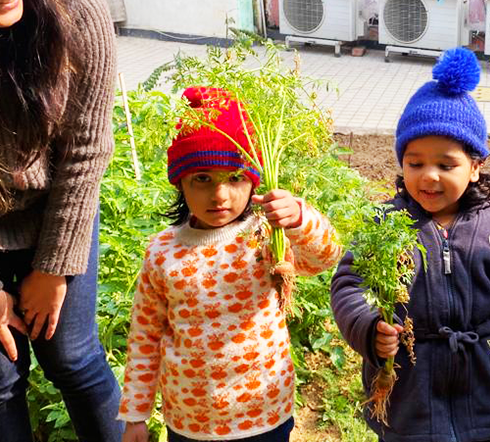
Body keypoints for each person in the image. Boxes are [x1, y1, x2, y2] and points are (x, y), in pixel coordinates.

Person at [330, 47, 490, 442]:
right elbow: (348, 285)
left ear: (476, 166)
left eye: (446, 164)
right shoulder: (385, 225)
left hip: (481, 392)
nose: (429, 176)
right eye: (415, 163)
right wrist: (367, 327)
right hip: (406, 395)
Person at [0, 0, 123, 440]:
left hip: (54, 214)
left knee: (75, 358)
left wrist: (54, 267)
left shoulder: (72, 2)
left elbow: (87, 149)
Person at [118, 87, 342, 442]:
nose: (220, 195)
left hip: (264, 409)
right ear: (180, 182)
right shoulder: (162, 251)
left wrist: (300, 217)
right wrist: (135, 415)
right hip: (190, 420)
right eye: (203, 179)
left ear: (253, 180)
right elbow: (145, 335)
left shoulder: (266, 234)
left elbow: (325, 256)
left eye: (234, 177)